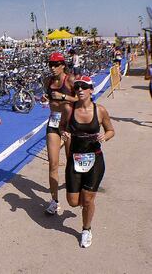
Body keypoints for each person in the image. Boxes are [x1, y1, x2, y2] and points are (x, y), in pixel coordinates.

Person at [59, 76, 115, 247]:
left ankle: (86, 229)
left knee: (88, 200)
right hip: (75, 159)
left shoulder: (100, 111)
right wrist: (63, 132)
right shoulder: (69, 109)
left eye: (84, 86)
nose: (80, 90)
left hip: (95, 159)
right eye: (77, 87)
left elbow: (111, 130)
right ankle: (85, 204)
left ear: (91, 90)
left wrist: (104, 136)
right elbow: (61, 126)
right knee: (73, 202)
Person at [42, 52, 77, 215]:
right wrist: (45, 98)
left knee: (72, 162)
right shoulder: (47, 81)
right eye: (51, 64)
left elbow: (82, 99)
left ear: (63, 65)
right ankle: (54, 201)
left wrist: (63, 96)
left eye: (56, 64)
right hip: (54, 122)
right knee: (53, 163)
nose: (53, 67)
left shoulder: (70, 79)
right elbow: (49, 98)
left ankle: (77, 192)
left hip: (69, 123)